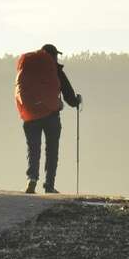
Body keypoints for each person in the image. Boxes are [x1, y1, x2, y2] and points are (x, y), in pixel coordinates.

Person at [14, 43, 82, 194]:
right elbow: (68, 95)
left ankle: (32, 178)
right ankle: (49, 185)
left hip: (30, 115)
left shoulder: (28, 66)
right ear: (53, 55)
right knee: (52, 150)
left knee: (33, 148)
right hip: (51, 115)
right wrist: (76, 101)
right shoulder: (54, 69)